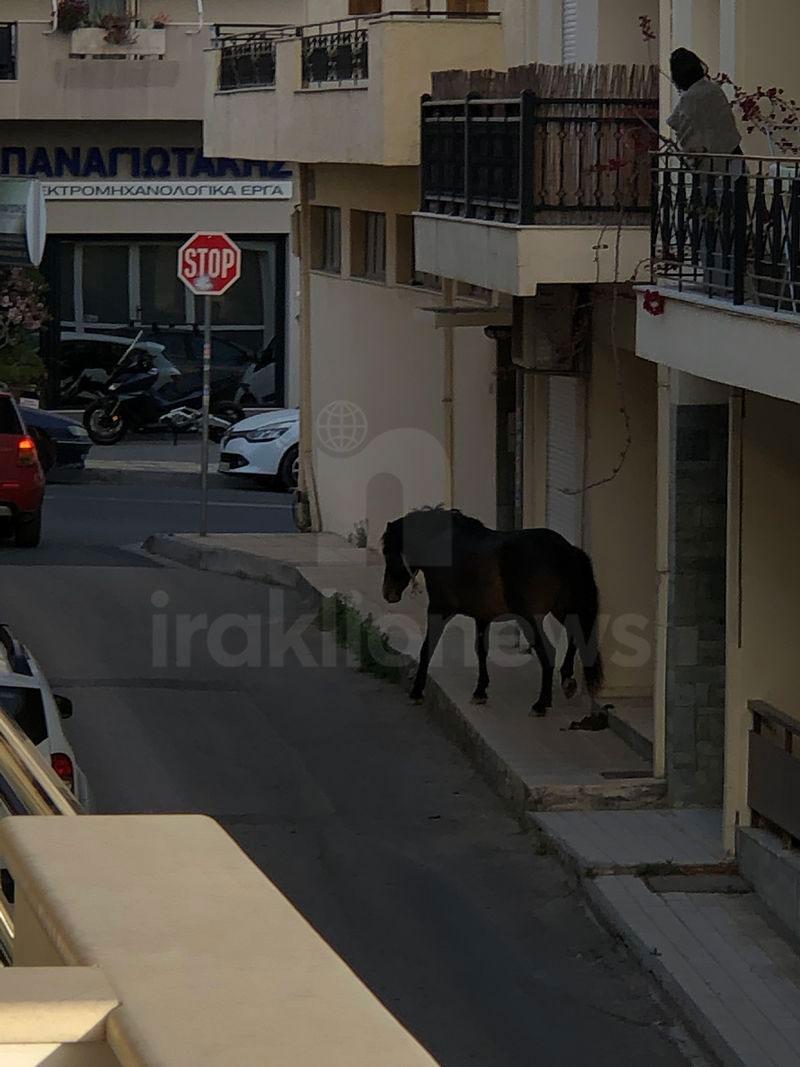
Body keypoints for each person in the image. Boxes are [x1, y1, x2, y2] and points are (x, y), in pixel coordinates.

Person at [667, 48, 742, 161]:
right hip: (733, 154)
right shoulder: (713, 88)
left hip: (712, 161)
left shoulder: (690, 96)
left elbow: (677, 122)